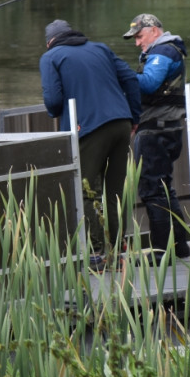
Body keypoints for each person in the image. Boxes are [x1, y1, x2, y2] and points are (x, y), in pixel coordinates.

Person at [40, 19, 142, 256]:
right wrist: (134, 116)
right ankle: (118, 247)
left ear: (49, 42)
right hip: (121, 123)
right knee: (115, 191)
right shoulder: (100, 48)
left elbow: (53, 100)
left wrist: (58, 113)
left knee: (84, 189)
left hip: (87, 127)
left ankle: (98, 251)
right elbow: (130, 79)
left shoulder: (50, 57)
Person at [123, 13, 190, 260]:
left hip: (157, 130)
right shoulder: (167, 50)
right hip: (168, 127)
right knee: (165, 188)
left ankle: (160, 253)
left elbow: (150, 83)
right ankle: (181, 247)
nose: (137, 43)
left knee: (152, 190)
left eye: (139, 36)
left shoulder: (163, 51)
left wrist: (124, 74)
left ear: (154, 31)